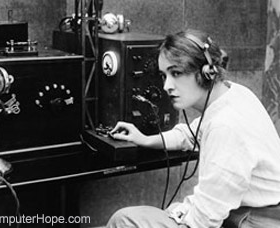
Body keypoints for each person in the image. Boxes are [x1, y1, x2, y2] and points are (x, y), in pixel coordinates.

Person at [105, 29, 280, 228]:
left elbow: (203, 220)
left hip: (255, 222)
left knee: (124, 220)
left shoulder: (225, 126)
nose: (166, 86)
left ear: (206, 72)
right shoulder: (235, 94)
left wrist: (177, 213)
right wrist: (145, 139)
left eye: (176, 73)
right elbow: (189, 135)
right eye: (164, 75)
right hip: (240, 212)